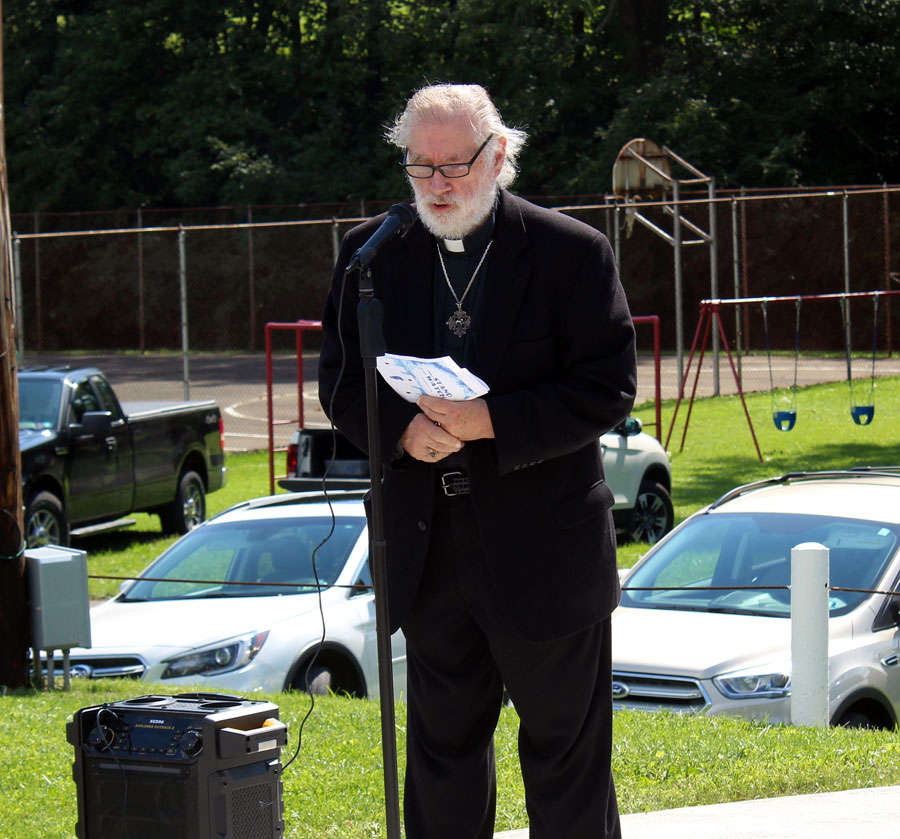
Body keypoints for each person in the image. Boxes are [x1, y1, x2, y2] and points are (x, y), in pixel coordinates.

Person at [318, 83, 636, 839]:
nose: (437, 184)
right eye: (419, 166)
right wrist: (403, 432)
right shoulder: (373, 255)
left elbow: (607, 388)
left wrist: (490, 420)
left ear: (499, 156)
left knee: (566, 760)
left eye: (453, 165)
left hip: (545, 548)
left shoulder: (570, 252)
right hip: (428, 545)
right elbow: (340, 380)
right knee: (443, 757)